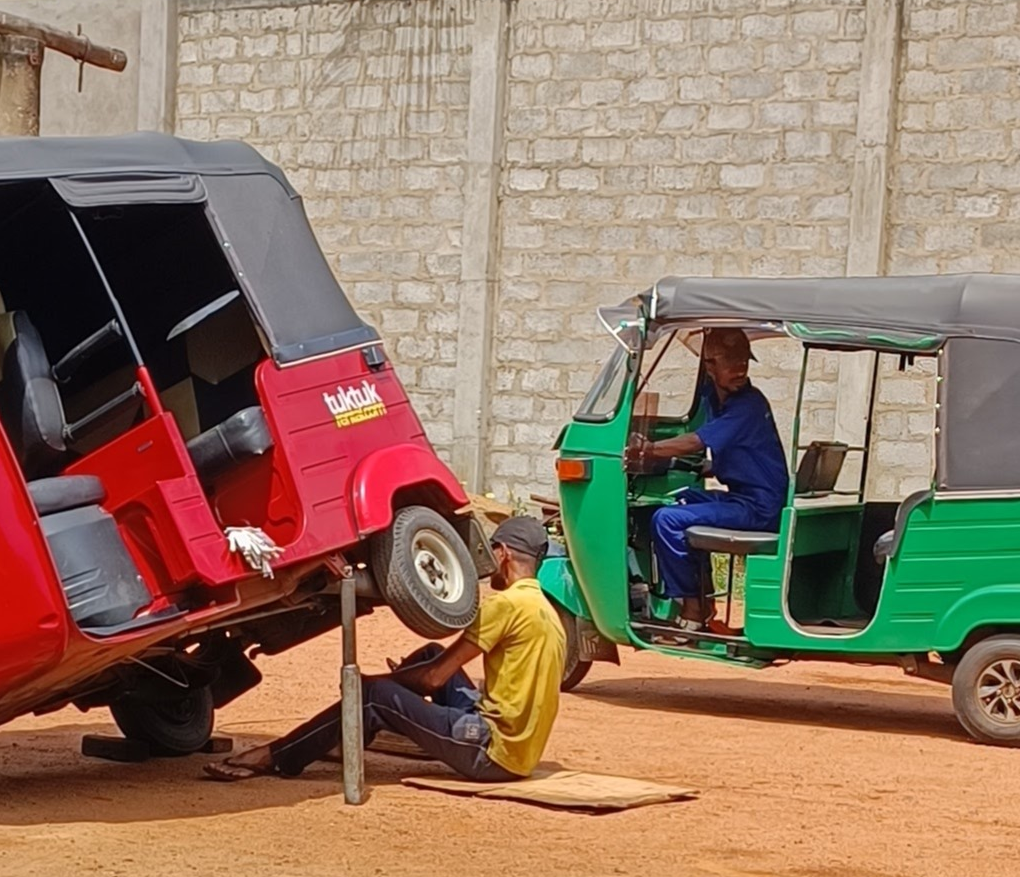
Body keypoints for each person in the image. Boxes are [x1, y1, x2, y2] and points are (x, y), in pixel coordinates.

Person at [207, 514, 566, 784]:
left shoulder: (507, 605)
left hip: (491, 750)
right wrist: (403, 681)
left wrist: (372, 684)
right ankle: (353, 728)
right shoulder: (544, 611)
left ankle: (276, 756)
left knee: (374, 695)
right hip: (522, 750)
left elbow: (433, 679)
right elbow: (434, 668)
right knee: (430, 651)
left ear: (502, 554)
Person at [641, 328, 788, 631]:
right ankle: (701, 596)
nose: (740, 369)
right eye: (730, 362)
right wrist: (708, 466)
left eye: (743, 361)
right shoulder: (713, 396)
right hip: (743, 496)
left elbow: (695, 440)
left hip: (759, 507)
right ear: (709, 366)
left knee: (667, 520)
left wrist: (648, 449)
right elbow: (730, 450)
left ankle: (693, 610)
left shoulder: (748, 404)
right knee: (682, 499)